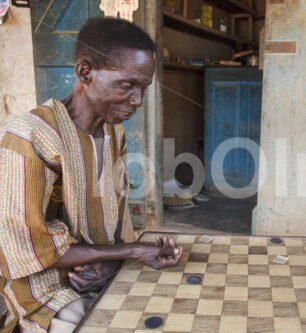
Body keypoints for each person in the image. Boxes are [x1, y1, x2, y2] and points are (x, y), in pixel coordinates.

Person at [0, 17, 183, 333]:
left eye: (143, 88)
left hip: (99, 272)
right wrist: (133, 251)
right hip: (45, 291)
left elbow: (112, 221)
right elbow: (28, 246)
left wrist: (114, 262)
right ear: (85, 72)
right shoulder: (28, 138)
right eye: (126, 85)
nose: (137, 101)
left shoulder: (115, 134)